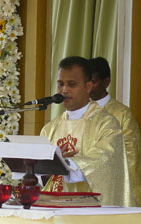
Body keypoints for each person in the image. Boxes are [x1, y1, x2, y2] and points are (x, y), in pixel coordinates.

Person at [40, 56, 134, 206]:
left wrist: (64, 164)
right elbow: (40, 175)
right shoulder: (50, 128)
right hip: (53, 207)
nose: (64, 90)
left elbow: (105, 160)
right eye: (60, 84)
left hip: (88, 210)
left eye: (72, 84)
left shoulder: (107, 124)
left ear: (88, 87)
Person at [89, 57, 141, 207]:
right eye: (86, 82)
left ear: (106, 82)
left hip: (111, 188)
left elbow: (131, 156)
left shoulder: (121, 114)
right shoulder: (81, 113)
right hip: (83, 187)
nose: (88, 87)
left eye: (93, 82)